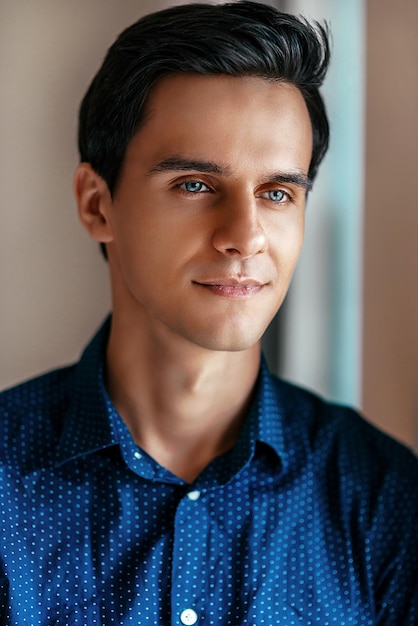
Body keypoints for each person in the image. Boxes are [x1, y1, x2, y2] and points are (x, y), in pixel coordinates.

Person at [1, 1, 417, 624]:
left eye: (278, 193)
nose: (245, 236)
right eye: (195, 184)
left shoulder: (383, 496)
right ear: (97, 204)